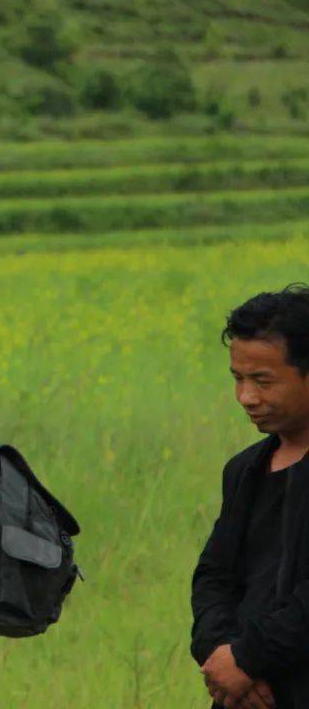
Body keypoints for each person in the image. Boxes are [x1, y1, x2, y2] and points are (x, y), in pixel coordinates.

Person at [192, 285, 309, 709]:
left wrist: (247, 658)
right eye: (238, 379)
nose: (247, 398)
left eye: (263, 381)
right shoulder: (245, 470)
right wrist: (219, 655)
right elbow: (213, 577)